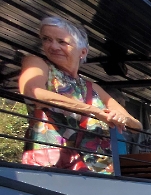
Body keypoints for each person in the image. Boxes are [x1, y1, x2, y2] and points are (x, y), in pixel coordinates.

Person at [18, 16, 141, 173]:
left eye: (62, 42)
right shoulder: (37, 63)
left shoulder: (92, 87)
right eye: (47, 39)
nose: (53, 46)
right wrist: (94, 111)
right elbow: (32, 92)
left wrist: (121, 118)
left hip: (100, 170)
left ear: (82, 52)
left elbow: (137, 126)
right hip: (53, 166)